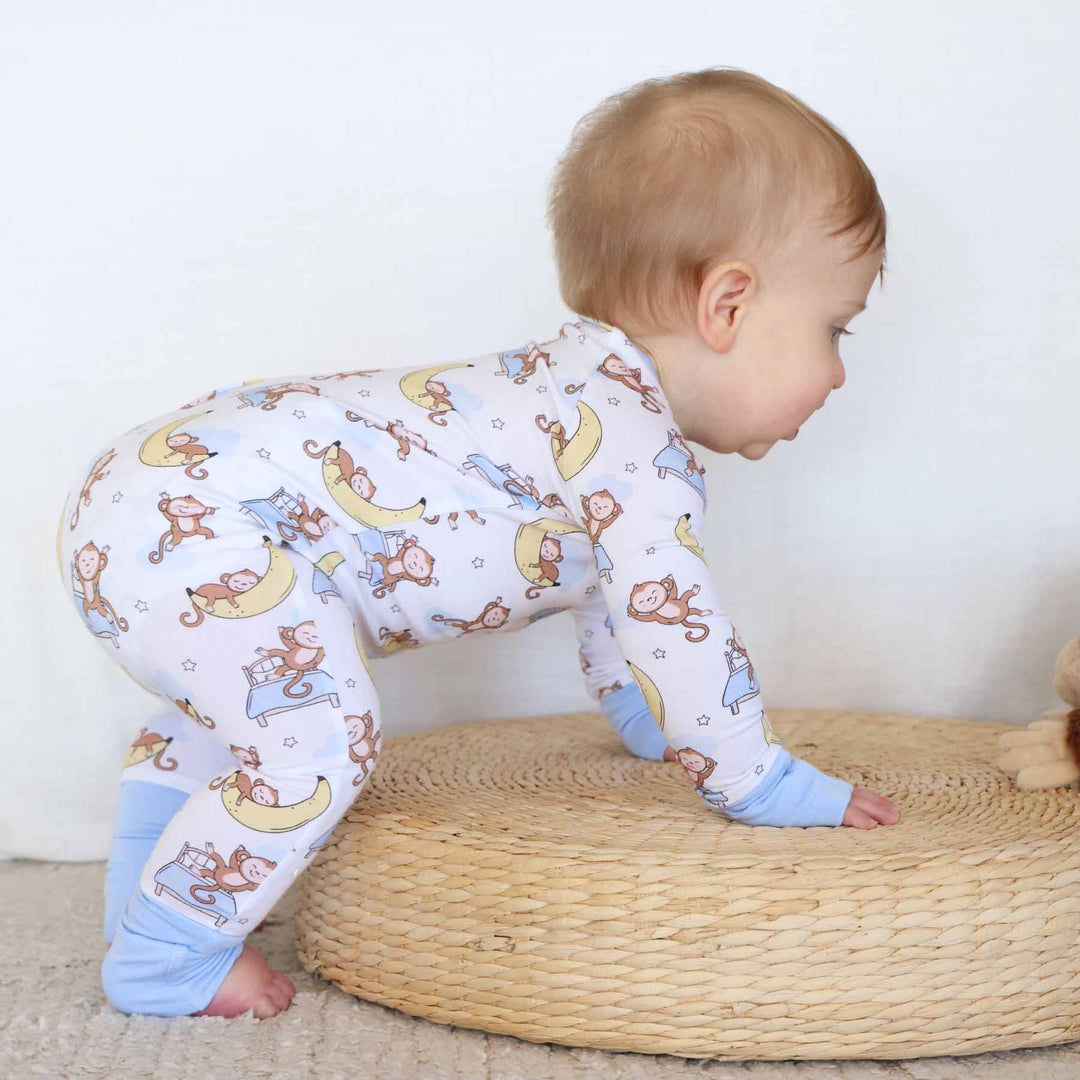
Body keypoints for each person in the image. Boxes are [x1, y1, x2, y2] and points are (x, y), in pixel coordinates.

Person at [56, 65, 900, 1021]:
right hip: (201, 516)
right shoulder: (635, 452)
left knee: (223, 722)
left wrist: (642, 717)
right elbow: (678, 622)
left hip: (147, 499)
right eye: (835, 328)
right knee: (322, 741)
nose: (836, 374)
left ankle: (144, 912)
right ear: (728, 305)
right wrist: (753, 777)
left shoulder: (570, 397)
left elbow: (616, 604)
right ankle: (166, 959)